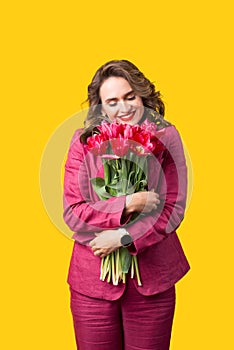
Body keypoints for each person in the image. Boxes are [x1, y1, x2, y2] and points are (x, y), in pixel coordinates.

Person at [63, 59, 190, 350]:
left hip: (153, 280)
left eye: (130, 97)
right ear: (100, 107)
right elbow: (73, 212)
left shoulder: (166, 137)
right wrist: (129, 202)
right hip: (91, 284)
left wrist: (122, 238)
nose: (124, 108)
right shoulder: (83, 142)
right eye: (113, 101)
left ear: (142, 95)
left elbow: (172, 210)